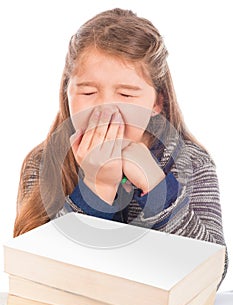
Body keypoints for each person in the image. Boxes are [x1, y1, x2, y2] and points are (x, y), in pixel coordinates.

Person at [14, 8, 228, 281]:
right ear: (66, 93)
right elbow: (37, 278)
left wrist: (157, 187)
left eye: (126, 94)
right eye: (88, 92)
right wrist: (97, 188)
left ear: (157, 103)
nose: (106, 108)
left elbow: (212, 275)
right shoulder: (44, 163)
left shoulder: (191, 162)